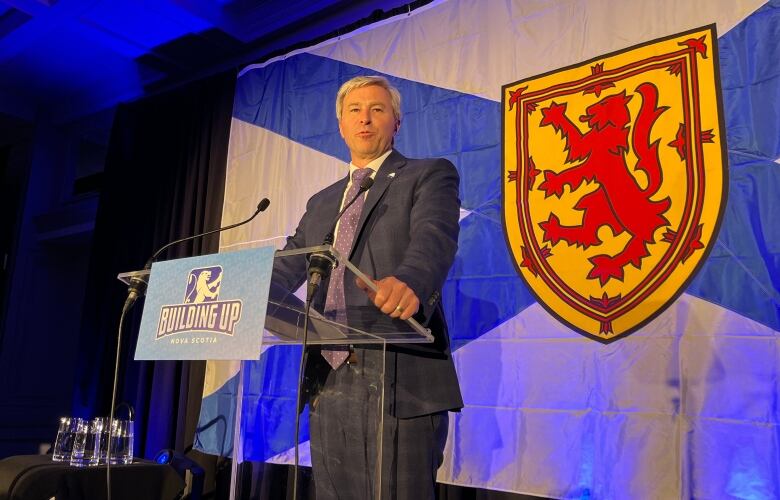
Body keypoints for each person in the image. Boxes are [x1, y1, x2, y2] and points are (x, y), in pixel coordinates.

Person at [271, 75, 463, 499]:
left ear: (396, 122)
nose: (365, 119)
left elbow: (435, 236)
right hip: (329, 380)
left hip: (399, 376)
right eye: (355, 110)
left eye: (378, 110)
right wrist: (242, 291)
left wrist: (411, 280)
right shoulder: (322, 202)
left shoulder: (427, 175)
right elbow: (287, 267)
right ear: (340, 124)